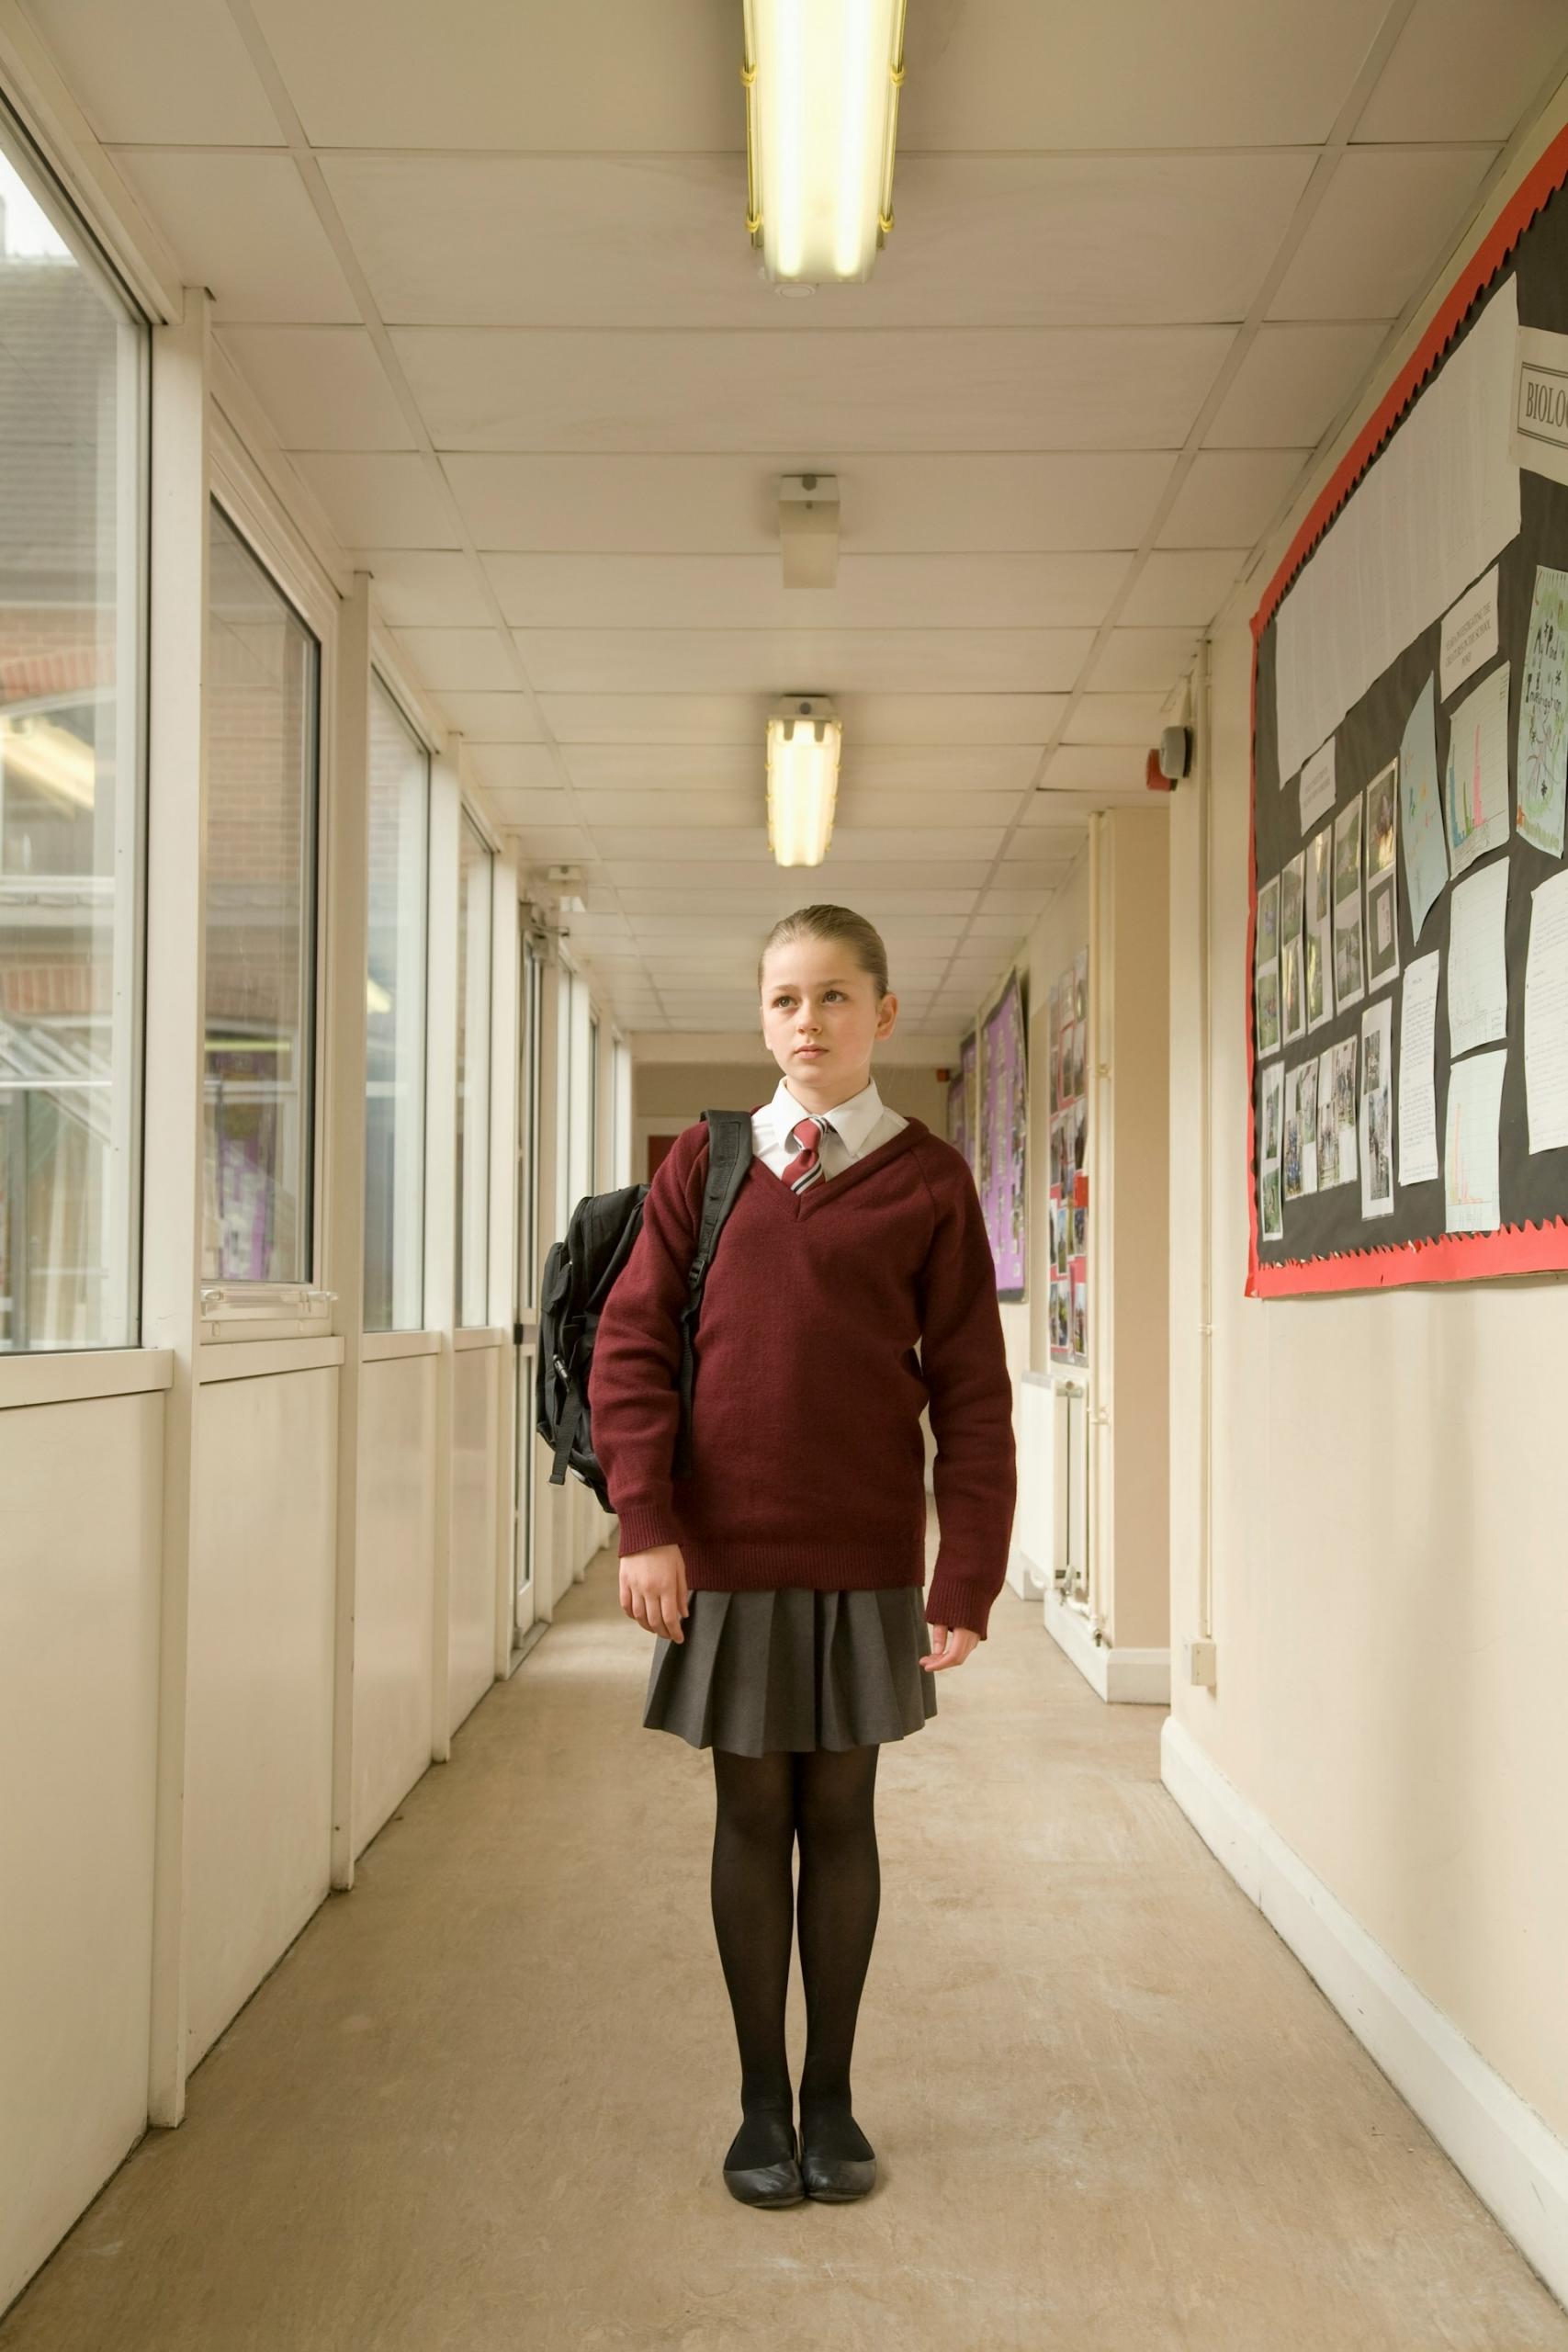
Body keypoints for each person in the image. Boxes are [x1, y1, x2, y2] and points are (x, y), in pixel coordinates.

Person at [587, 903, 1017, 2210]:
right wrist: (646, 1522)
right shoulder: (705, 1169)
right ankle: (757, 2102)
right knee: (747, 1813)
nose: (807, 1023)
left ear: (882, 1014)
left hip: (865, 1559)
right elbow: (631, 1354)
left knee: (841, 1817)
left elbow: (975, 1396)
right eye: (784, 1000)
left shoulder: (928, 1180)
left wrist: (968, 1577)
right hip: (726, 1557)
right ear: (761, 1017)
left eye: (834, 998)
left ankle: (831, 2101)